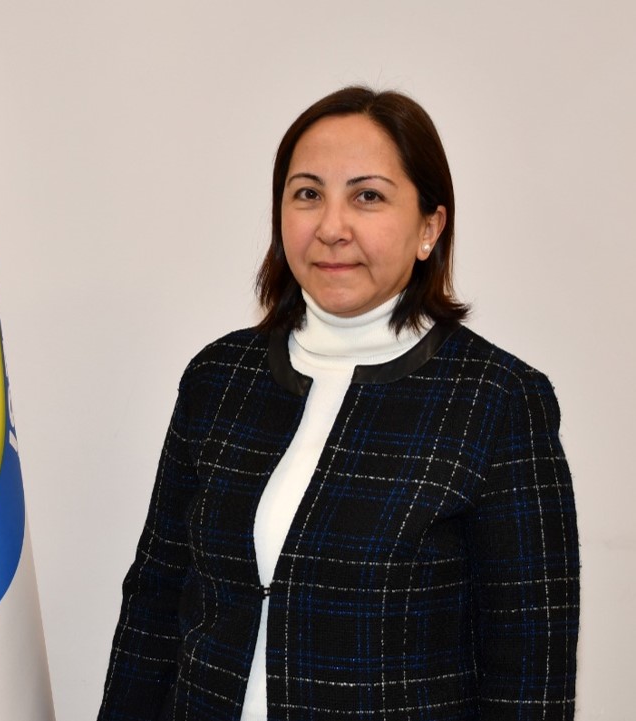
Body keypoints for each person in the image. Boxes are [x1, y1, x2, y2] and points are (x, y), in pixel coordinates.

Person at [97, 86, 579, 721]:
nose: (331, 227)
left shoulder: (498, 400)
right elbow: (155, 602)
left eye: (367, 196)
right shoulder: (219, 377)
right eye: (308, 194)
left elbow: (529, 672)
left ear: (429, 227)